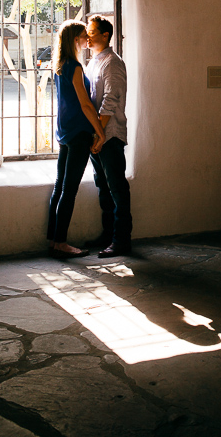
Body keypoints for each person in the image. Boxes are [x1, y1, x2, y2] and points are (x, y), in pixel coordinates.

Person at [47, 20, 105, 258]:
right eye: (84, 35)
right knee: (69, 189)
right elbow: (85, 103)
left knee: (60, 186)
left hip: (64, 131)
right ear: (75, 40)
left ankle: (53, 239)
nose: (87, 39)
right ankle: (61, 242)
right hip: (79, 134)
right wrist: (100, 131)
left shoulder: (60, 65)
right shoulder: (76, 67)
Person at [85, 15, 132, 258]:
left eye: (92, 32)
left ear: (105, 35)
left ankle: (121, 240)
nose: (88, 36)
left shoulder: (113, 63)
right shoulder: (94, 61)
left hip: (110, 135)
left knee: (116, 189)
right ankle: (108, 235)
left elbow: (111, 100)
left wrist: (101, 133)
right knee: (103, 188)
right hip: (98, 135)